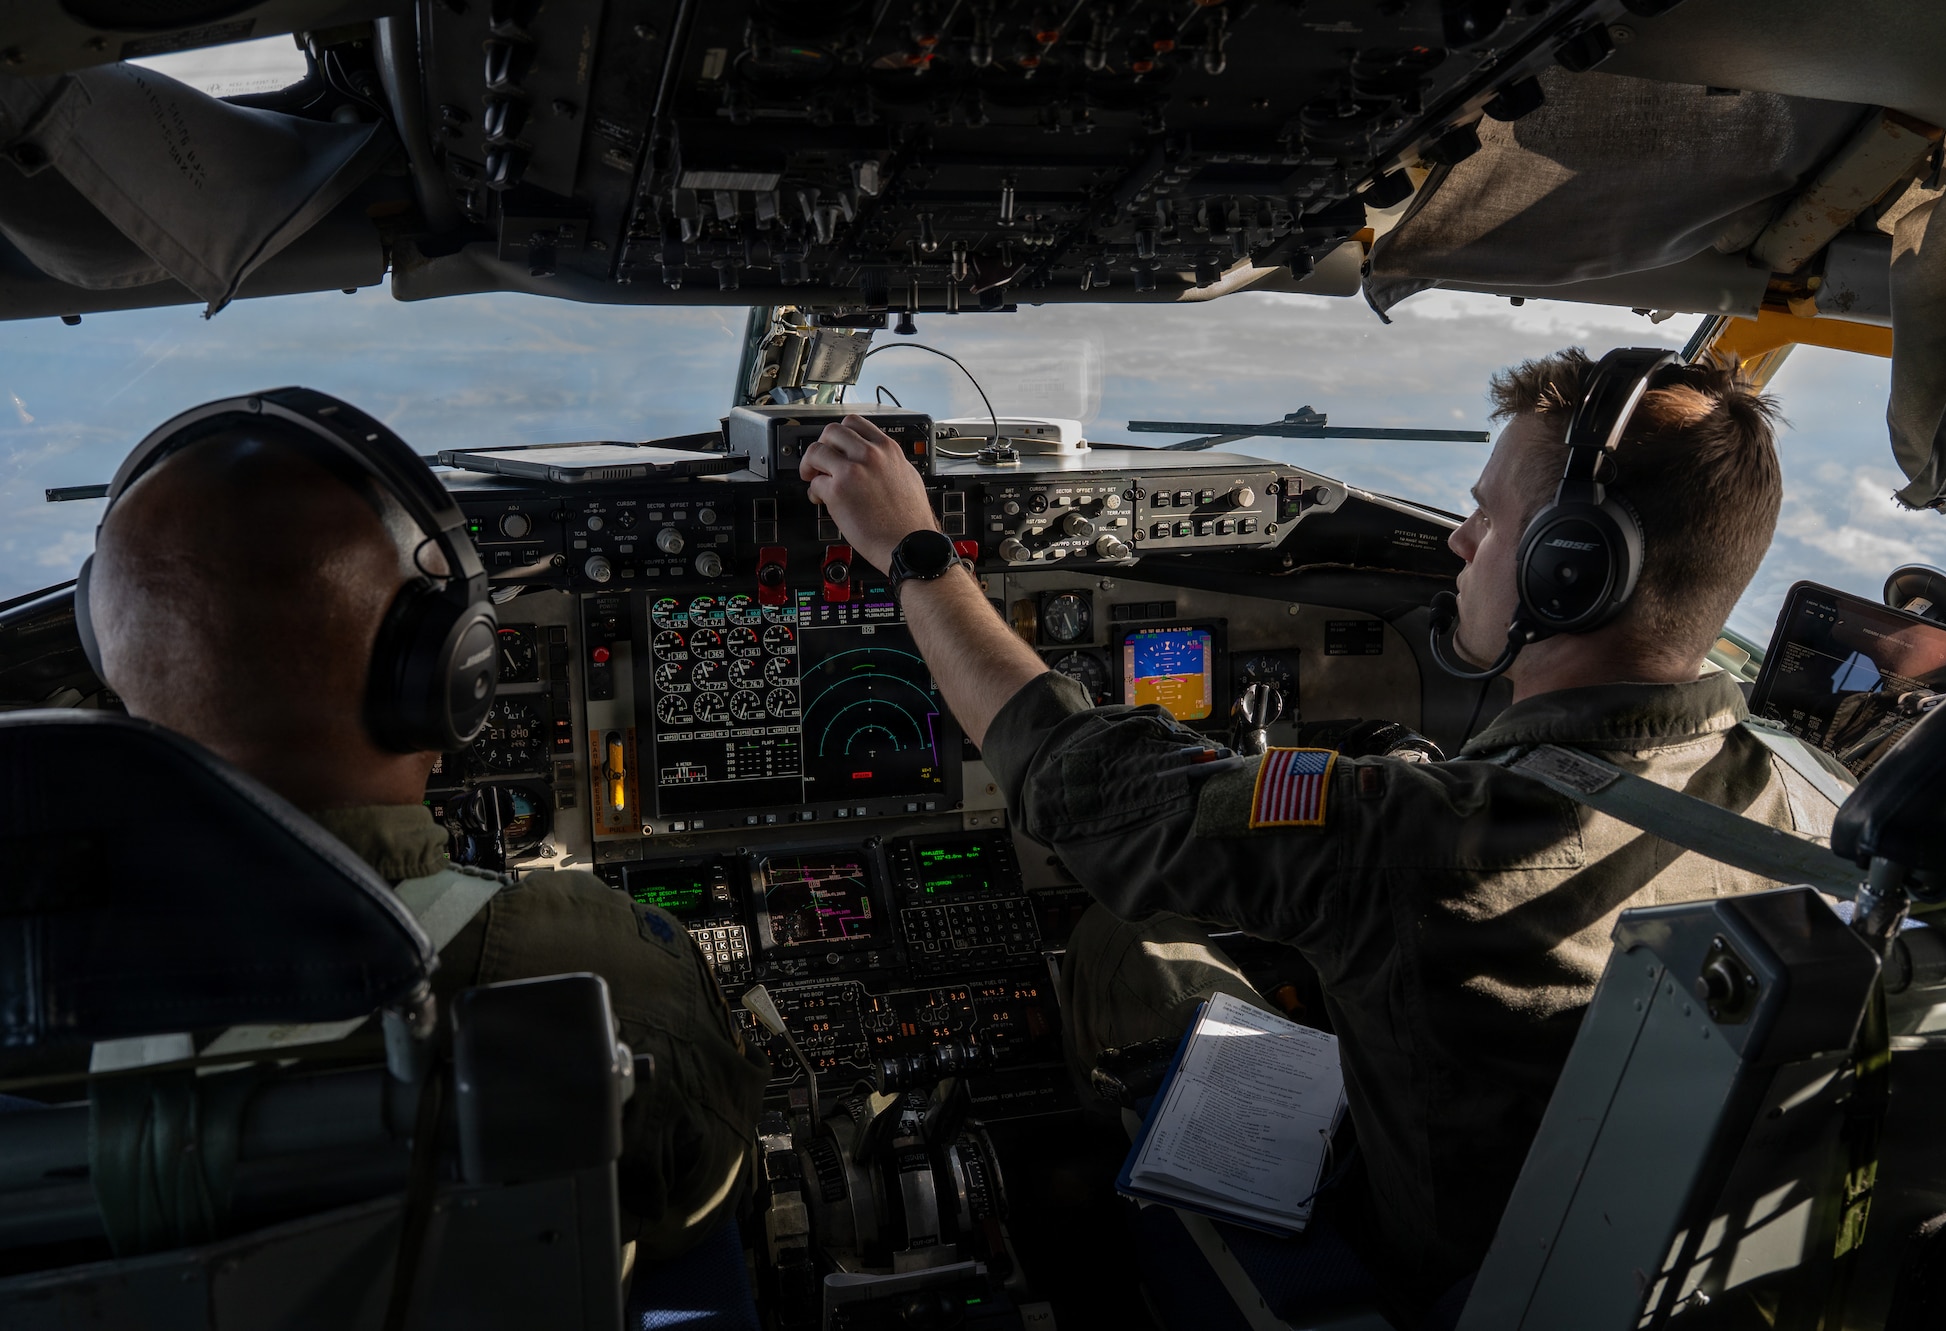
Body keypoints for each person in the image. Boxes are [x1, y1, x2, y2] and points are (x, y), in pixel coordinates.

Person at [798, 348, 1837, 1323]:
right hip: (1627, 1265)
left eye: (1485, 515)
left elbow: (1083, 784)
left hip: (1433, 1274)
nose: (1457, 541)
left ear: (1574, 565)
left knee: (1131, 942)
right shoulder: (1770, 799)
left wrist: (912, 550)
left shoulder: (1412, 835)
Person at [87, 418, 767, 1261]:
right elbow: (708, 1182)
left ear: (109, 659)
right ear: (449, 678)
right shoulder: (597, 972)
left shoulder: (39, 994)